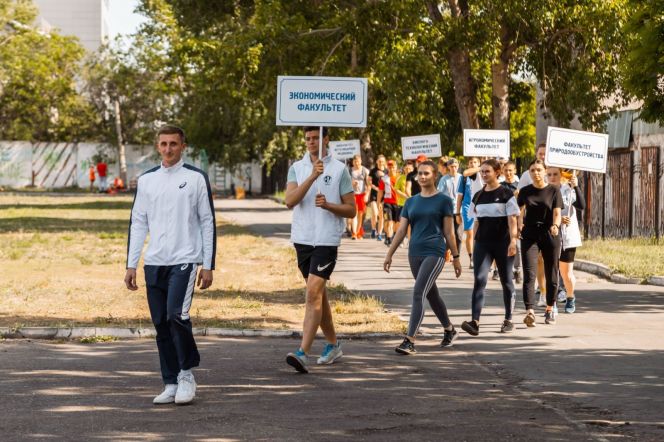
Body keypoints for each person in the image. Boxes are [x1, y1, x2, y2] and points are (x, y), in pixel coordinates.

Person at [124, 125, 216, 405]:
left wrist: (208, 264)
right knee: (161, 324)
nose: (168, 149)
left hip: (185, 260)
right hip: (155, 262)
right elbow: (138, 222)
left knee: (177, 316)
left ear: (182, 146)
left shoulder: (195, 178)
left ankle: (186, 374)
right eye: (163, 144)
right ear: (158, 146)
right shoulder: (147, 180)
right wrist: (131, 264)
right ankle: (171, 382)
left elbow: (207, 221)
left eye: (173, 144)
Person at [284, 127, 356, 373]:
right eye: (308, 138)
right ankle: (334, 345)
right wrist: (312, 176)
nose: (311, 142)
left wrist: (329, 206)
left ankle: (302, 353)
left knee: (313, 293)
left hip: (326, 240)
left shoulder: (339, 169)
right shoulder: (297, 168)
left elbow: (352, 209)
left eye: (316, 138)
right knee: (319, 295)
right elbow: (289, 200)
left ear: (326, 140)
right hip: (303, 239)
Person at [383, 160, 462, 355]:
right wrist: (389, 254)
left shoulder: (444, 201)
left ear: (435, 176)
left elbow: (449, 232)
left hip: (435, 252)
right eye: (420, 173)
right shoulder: (411, 202)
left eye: (427, 173)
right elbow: (401, 230)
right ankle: (449, 329)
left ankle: (409, 340)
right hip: (414, 253)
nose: (422, 176)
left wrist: (456, 257)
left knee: (418, 292)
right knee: (431, 294)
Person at [460, 159, 519, 336]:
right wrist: (474, 243)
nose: (484, 174)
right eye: (482, 172)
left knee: (506, 280)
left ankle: (508, 319)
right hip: (483, 244)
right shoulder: (478, 195)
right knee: (479, 279)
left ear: (497, 172)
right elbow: (476, 221)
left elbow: (512, 220)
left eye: (488, 171)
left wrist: (513, 241)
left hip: (503, 243)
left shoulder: (506, 193)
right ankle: (475, 322)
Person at [517, 159, 563, 326]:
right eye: (532, 170)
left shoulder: (554, 190)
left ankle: (550, 308)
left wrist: (556, 225)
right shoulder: (525, 191)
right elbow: (519, 212)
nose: (536, 173)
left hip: (549, 233)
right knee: (529, 273)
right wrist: (518, 226)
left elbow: (557, 213)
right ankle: (529, 311)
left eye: (538, 170)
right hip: (529, 234)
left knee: (552, 272)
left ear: (544, 171)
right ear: (529, 173)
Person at [546, 167, 585, 314]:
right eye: (549, 174)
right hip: (551, 234)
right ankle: (552, 302)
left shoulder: (568, 190)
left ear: (561, 175)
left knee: (566, 274)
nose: (552, 177)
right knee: (552, 272)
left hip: (568, 235)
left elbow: (581, 206)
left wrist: (576, 186)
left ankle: (570, 296)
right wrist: (557, 220)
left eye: (555, 174)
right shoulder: (544, 191)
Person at [456, 157, 481, 269]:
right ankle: (472, 258)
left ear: (479, 163)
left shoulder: (483, 174)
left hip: (480, 206)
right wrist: (457, 213)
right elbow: (459, 196)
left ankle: (481, 256)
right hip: (467, 207)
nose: (473, 164)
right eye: (471, 162)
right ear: (468, 164)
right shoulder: (464, 177)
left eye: (475, 162)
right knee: (470, 233)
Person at [501, 161, 522, 284]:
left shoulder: (519, 187)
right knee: (503, 246)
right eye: (506, 170)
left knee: (517, 245)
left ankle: (517, 270)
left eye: (510, 170)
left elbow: (524, 205)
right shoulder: (500, 186)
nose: (508, 173)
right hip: (503, 220)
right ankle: (506, 270)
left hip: (516, 220)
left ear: (515, 171)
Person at [438, 158, 462, 258]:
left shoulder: (462, 178)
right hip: (447, 210)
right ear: (448, 167)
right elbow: (439, 193)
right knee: (448, 232)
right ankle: (448, 253)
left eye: (455, 166)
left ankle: (457, 255)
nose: (454, 168)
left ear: (458, 166)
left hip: (459, 210)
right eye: (452, 166)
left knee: (458, 233)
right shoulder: (444, 179)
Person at [378, 159, 399, 246]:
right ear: (387, 167)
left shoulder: (400, 177)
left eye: (393, 167)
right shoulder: (384, 179)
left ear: (396, 167)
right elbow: (380, 192)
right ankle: (389, 238)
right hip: (387, 203)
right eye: (390, 167)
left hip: (398, 203)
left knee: (396, 223)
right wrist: (379, 203)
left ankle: (392, 236)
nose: (391, 169)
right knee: (389, 221)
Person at [350, 154, 370, 240]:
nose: (357, 163)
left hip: (362, 195)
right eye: (355, 162)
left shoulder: (365, 171)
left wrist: (367, 195)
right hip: (353, 194)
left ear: (361, 161)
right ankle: (354, 233)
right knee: (354, 214)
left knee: (360, 215)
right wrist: (351, 183)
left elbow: (369, 185)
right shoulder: (350, 170)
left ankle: (358, 232)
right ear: (353, 162)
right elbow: (345, 183)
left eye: (358, 161)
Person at [368, 155, 387, 240]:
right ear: (376, 162)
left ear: (384, 162)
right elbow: (369, 182)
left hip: (384, 195)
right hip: (374, 195)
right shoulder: (373, 171)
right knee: (375, 213)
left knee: (381, 215)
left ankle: (379, 234)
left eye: (382, 161)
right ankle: (373, 229)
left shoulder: (386, 171)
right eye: (379, 161)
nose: (381, 163)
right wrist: (375, 188)